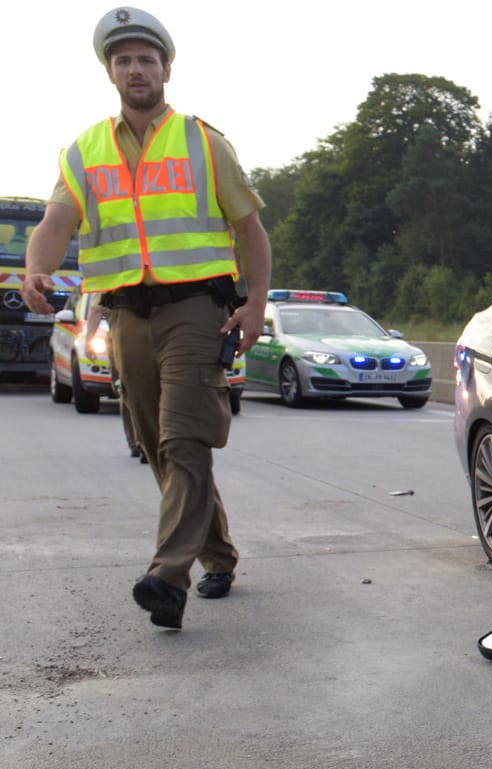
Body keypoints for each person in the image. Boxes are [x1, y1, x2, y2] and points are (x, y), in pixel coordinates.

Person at [22, 7, 271, 629]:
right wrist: (35, 270)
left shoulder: (202, 141)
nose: (136, 69)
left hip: (196, 311)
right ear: (111, 71)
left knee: (185, 437)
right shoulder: (85, 150)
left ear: (167, 68)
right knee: (157, 447)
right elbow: (55, 224)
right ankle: (217, 555)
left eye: (146, 59)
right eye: (124, 60)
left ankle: (167, 577)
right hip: (124, 316)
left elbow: (250, 230)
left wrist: (255, 304)